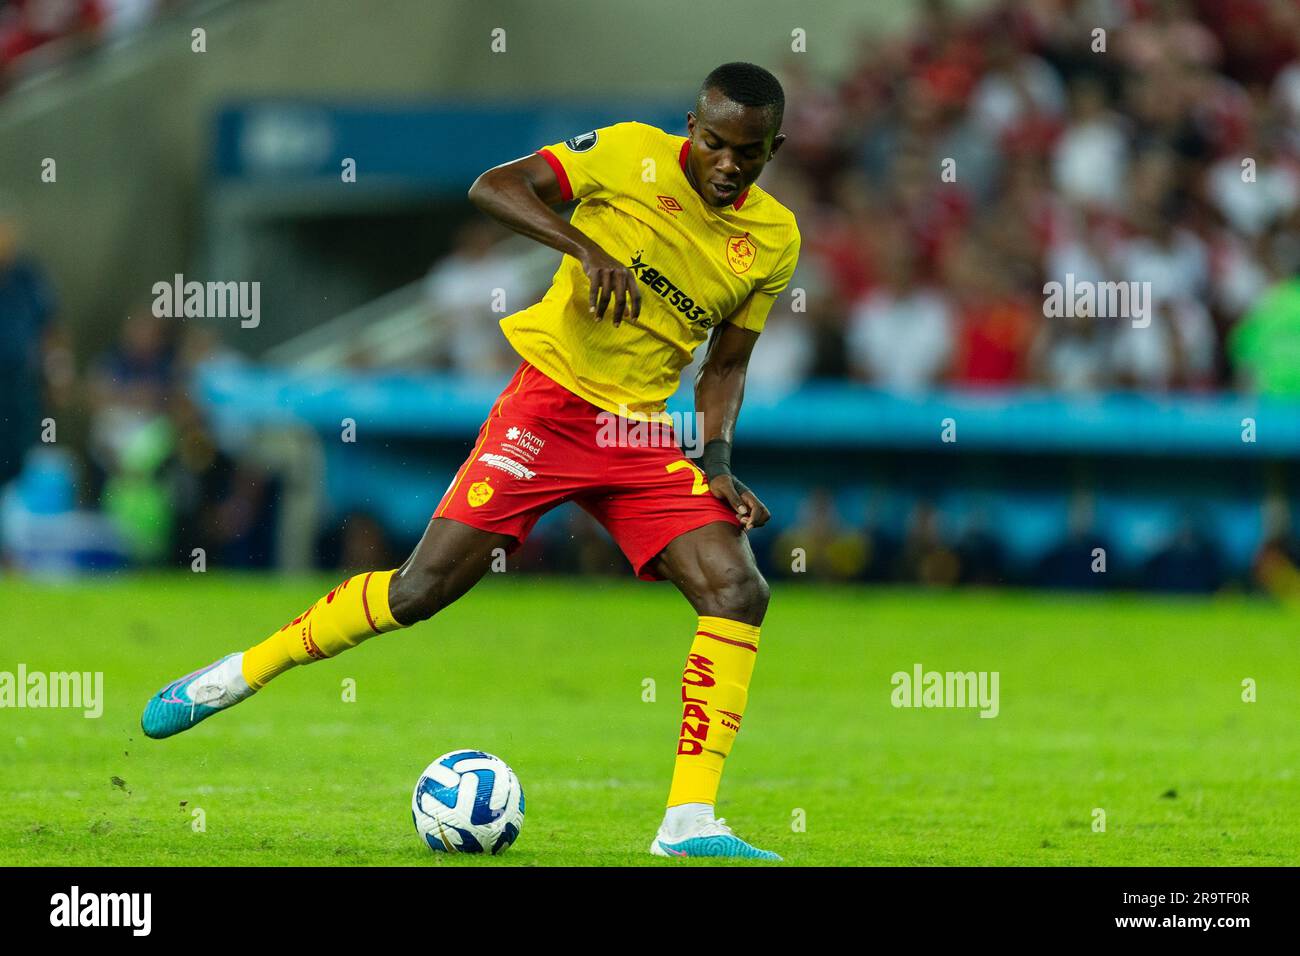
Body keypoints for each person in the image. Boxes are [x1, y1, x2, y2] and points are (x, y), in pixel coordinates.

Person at [140, 62, 801, 861]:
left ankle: (688, 823)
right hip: (549, 407)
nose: (731, 165)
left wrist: (719, 460)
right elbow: (494, 188)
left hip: (640, 434)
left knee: (737, 589)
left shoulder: (771, 239)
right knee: (419, 592)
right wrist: (586, 248)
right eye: (718, 143)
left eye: (751, 153)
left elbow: (725, 366)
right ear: (691, 128)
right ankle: (235, 674)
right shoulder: (628, 154)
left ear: (774, 149)